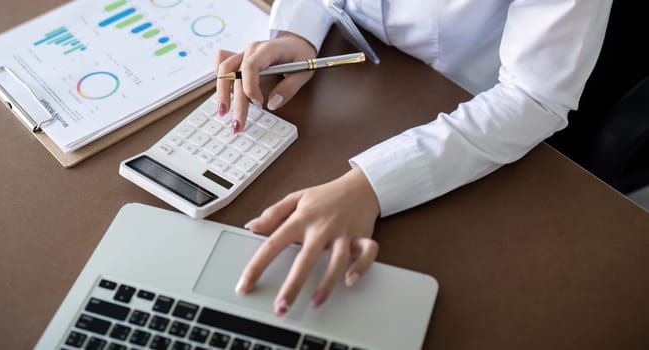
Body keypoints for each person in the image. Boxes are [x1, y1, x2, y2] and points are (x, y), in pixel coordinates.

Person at [214, 0, 612, 317]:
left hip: (471, 118)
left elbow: (532, 98)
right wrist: (298, 31)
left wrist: (372, 184)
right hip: (355, 75)